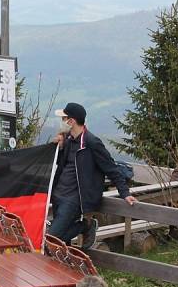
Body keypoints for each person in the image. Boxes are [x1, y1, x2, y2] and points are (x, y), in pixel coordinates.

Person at [50, 102, 136, 249]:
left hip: (74, 200)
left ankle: (86, 225)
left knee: (50, 239)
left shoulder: (92, 143)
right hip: (58, 196)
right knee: (61, 243)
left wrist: (125, 192)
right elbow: (60, 165)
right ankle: (67, 267)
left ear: (71, 121)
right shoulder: (68, 140)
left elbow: (111, 168)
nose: (62, 122)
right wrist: (57, 148)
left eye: (64, 118)